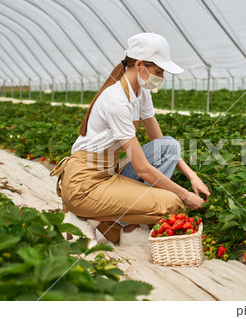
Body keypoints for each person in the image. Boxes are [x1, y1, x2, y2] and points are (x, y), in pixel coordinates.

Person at [51, 33, 210, 245]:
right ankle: (85, 215)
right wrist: (185, 195)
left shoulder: (141, 93)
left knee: (168, 146)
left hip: (110, 171)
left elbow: (159, 140)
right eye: (158, 72)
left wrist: (192, 176)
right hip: (85, 184)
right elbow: (142, 169)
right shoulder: (116, 100)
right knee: (172, 203)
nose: (160, 77)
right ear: (140, 65)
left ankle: (119, 219)